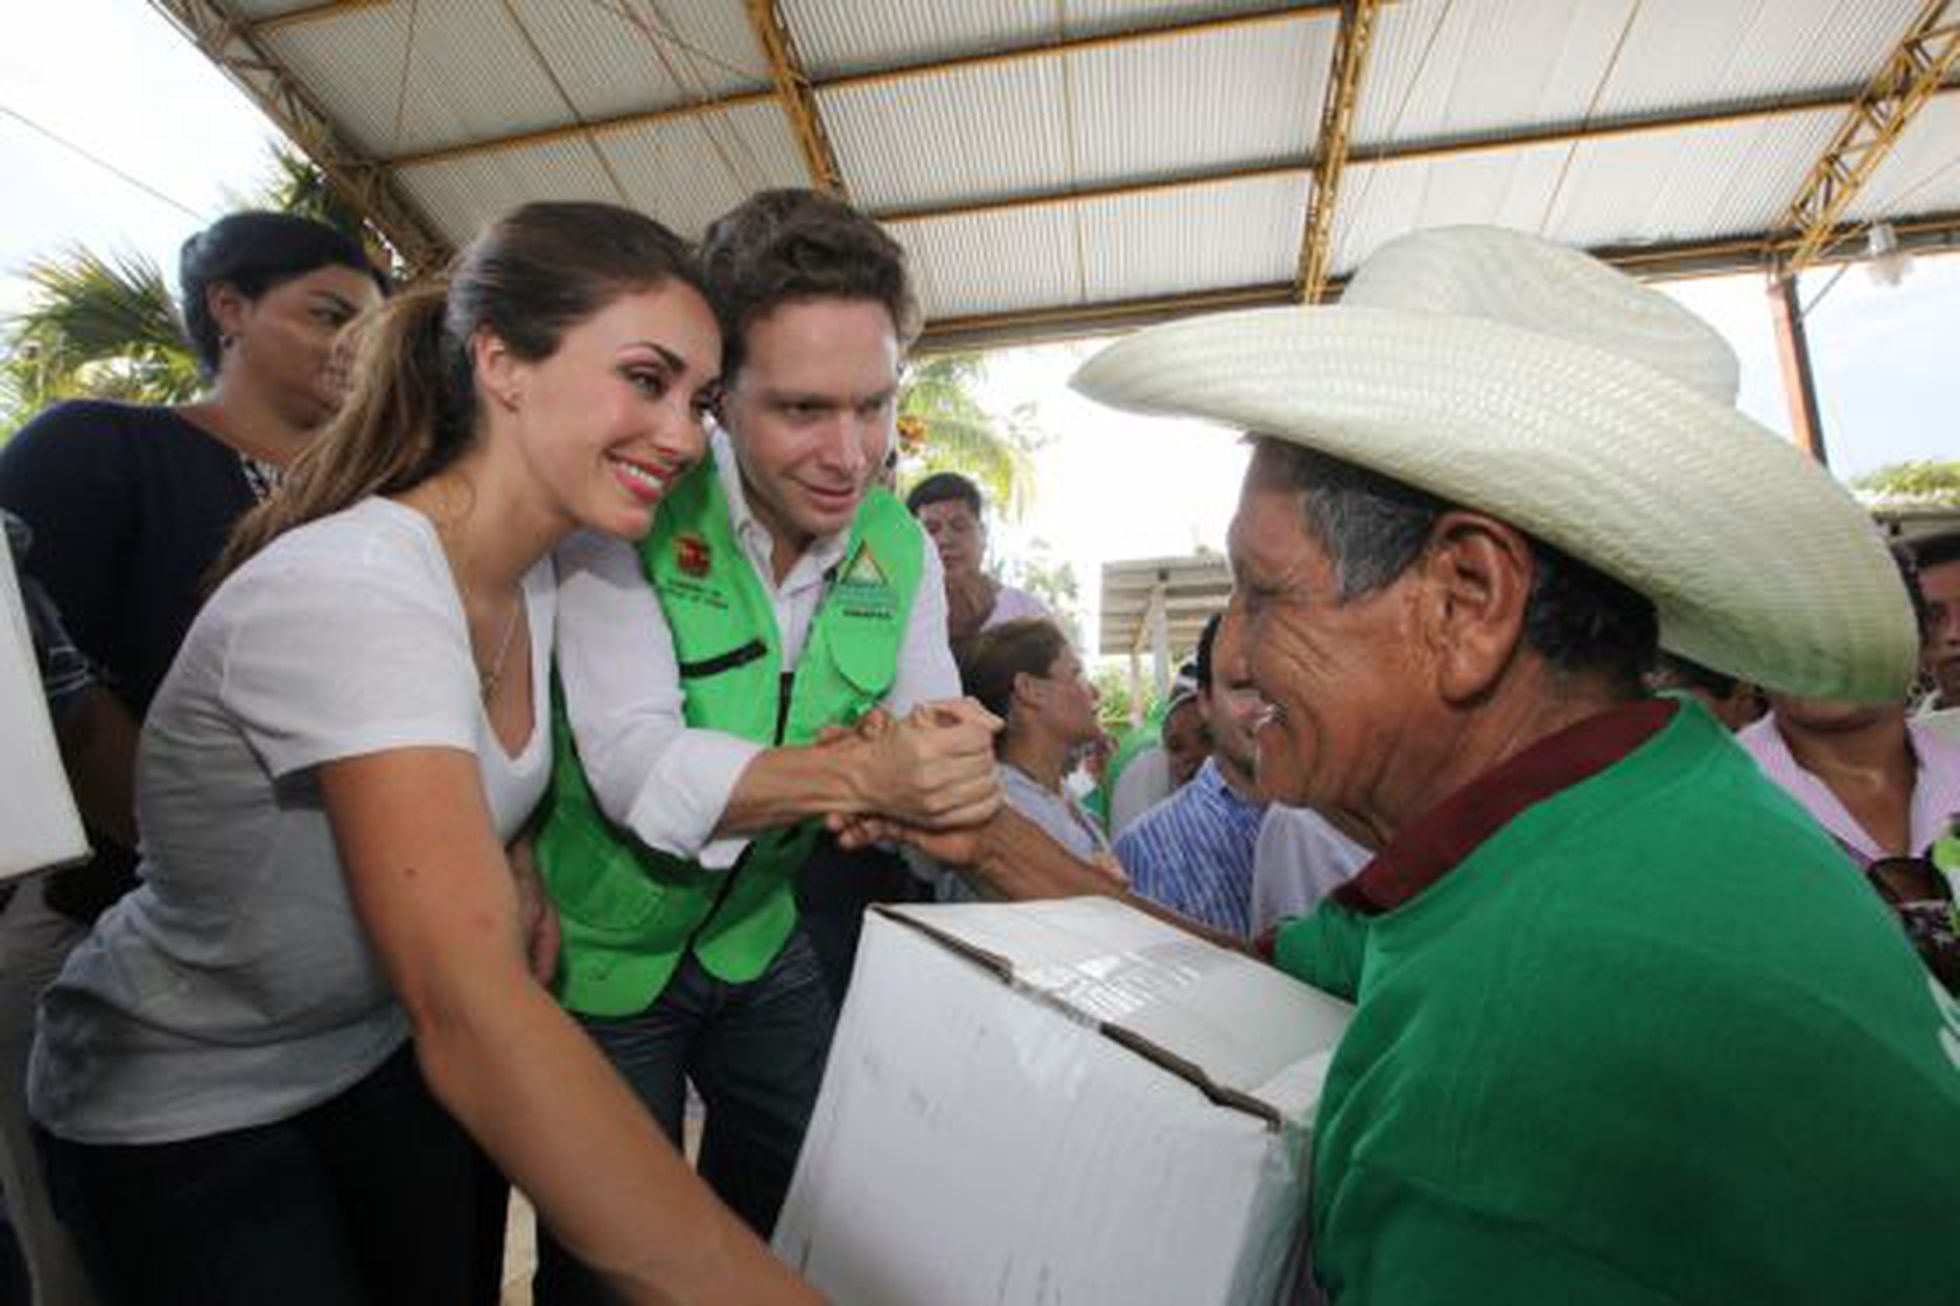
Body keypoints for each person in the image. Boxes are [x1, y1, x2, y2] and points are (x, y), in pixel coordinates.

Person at [835, 226, 1960, 1302]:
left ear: (1467, 600)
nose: (1235, 649)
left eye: (1267, 592)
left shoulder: (1497, 1093)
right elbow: (1260, 979)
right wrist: (984, 832)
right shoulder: (1642, 806)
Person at [28, 202, 814, 1306]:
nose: (685, 435)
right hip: (183, 1094)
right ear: (501, 362)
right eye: (646, 379)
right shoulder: (360, 585)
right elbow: (467, 1004)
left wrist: (525, 847)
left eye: (698, 398)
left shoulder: (541, 568)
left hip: (362, 1052)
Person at [534, 189, 999, 1296]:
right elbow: (639, 767)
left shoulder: (900, 543)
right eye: (801, 409)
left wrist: (943, 766)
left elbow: (926, 725)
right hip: (605, 956)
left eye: (875, 405)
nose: (851, 456)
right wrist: (865, 772)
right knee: (614, 1255)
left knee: (813, 1198)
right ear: (719, 396)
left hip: (760, 931)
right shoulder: (632, 508)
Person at [0, 210, 385, 1306]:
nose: (354, 346)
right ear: (229, 309)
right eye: (326, 313)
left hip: (342, 975)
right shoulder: (100, 448)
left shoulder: (385, 503)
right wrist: (185, 843)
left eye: (370, 325)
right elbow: (28, 674)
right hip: (107, 933)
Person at [1114, 614, 1267, 936]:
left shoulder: (1349, 813)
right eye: (1243, 687)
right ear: (1206, 702)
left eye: (1284, 682)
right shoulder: (1147, 849)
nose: (1266, 705)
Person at [958, 618, 1117, 865]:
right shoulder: (1000, 810)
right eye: (1076, 674)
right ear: (1030, 689)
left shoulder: (1056, 794)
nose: (1095, 692)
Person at [906, 471, 1049, 642]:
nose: (945, 540)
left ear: (983, 535)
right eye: (931, 530)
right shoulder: (900, 619)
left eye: (959, 526)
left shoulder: (1028, 614)